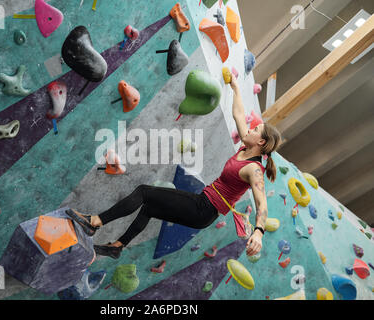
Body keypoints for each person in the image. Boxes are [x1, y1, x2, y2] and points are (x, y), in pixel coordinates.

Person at [67, 73, 281, 259]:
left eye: (256, 130)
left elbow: (262, 204)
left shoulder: (254, 169)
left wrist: (259, 232)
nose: (251, 130)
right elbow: (239, 114)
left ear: (261, 143)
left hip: (203, 209)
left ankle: (95, 221)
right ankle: (117, 247)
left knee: (143, 192)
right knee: (149, 208)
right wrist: (235, 87)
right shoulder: (245, 146)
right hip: (203, 206)